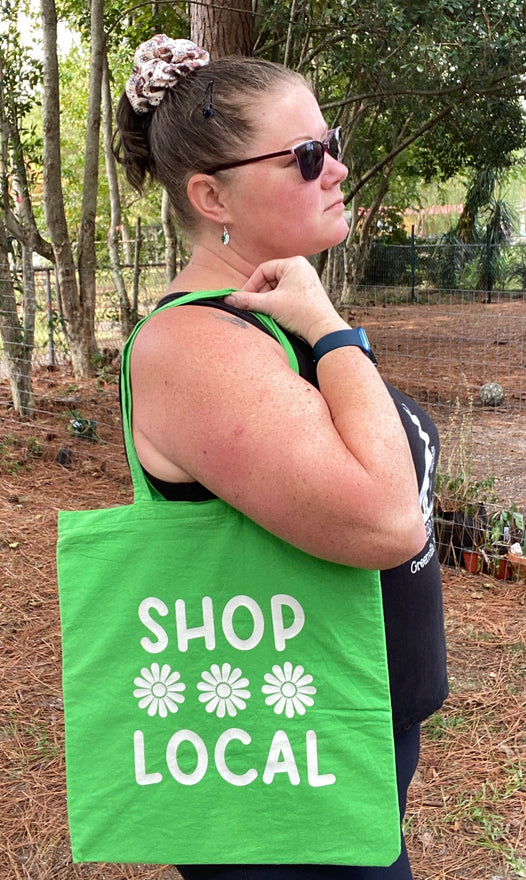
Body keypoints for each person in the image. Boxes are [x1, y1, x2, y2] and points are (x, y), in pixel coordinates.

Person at [114, 34, 448, 880]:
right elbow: (384, 522)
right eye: (305, 156)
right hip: (274, 775)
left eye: (330, 145)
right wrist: (331, 329)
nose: (335, 167)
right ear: (209, 195)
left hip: (339, 735)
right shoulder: (196, 344)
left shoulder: (273, 318)